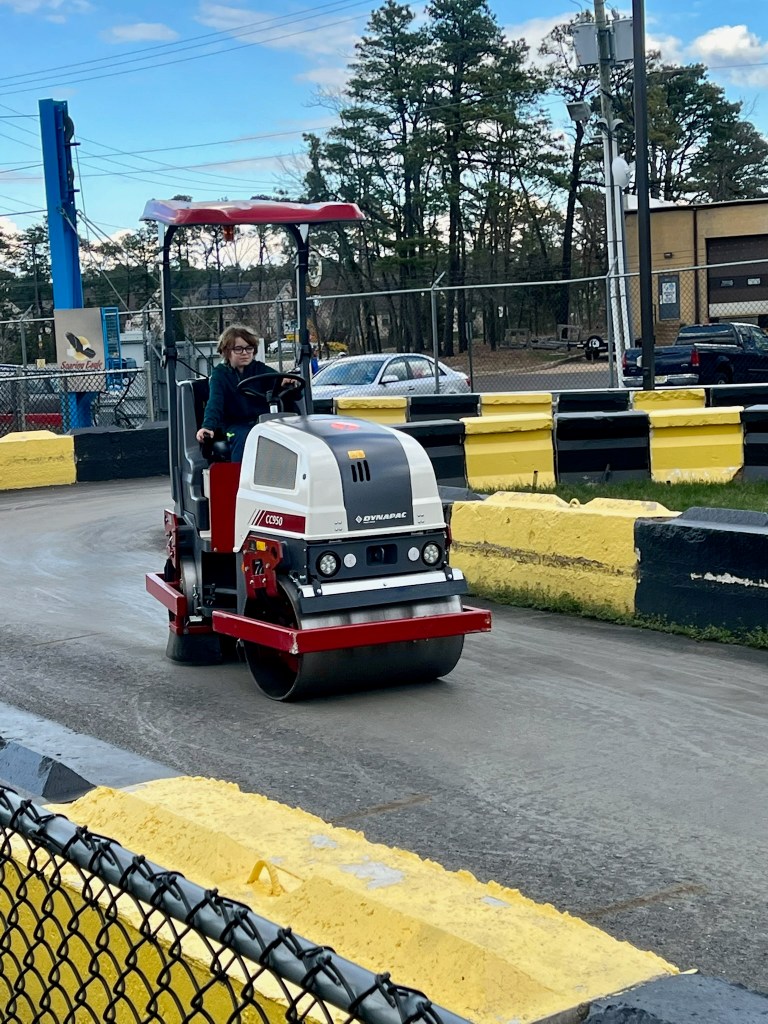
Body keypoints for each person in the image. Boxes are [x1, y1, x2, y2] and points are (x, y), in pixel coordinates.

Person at [196, 325, 297, 462]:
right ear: (226, 351)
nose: (245, 353)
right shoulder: (220, 374)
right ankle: (241, 474)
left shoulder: (260, 369)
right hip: (235, 426)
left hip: (263, 421)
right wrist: (208, 427)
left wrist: (287, 384)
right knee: (245, 437)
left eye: (249, 348)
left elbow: (282, 386)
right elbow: (215, 402)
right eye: (238, 349)